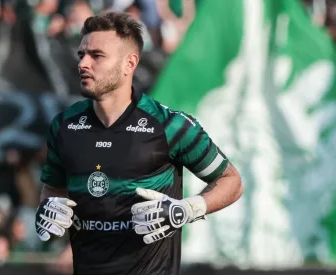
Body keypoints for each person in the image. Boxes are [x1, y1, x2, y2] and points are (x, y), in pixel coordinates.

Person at [34, 11, 243, 275]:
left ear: (129, 64)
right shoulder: (64, 126)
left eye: (96, 56)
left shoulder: (170, 125)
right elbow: (53, 189)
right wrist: (46, 211)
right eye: (81, 55)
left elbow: (231, 181)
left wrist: (187, 209)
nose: (83, 63)